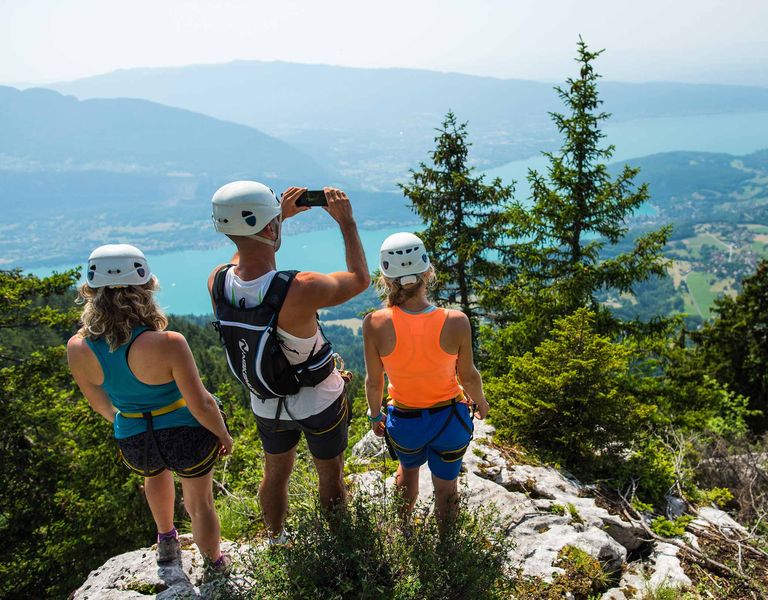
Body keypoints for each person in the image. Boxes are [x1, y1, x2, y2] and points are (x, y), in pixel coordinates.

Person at [208, 181, 370, 545]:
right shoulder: (301, 286)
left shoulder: (216, 281)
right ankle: (338, 543)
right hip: (318, 401)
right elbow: (360, 279)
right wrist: (347, 223)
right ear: (269, 227)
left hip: (265, 401)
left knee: (275, 472)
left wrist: (277, 218)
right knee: (329, 474)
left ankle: (276, 537)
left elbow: (249, 261)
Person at [67, 244, 233, 573]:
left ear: (91, 292)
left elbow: (99, 402)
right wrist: (222, 434)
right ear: (145, 289)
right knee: (200, 503)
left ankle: (167, 541)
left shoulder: (78, 347)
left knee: (153, 476)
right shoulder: (169, 342)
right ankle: (215, 563)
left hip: (134, 436)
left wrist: (126, 420)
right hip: (187, 434)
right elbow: (200, 403)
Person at [362, 232, 490, 522]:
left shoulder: (375, 323)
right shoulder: (456, 321)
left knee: (407, 472)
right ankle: (447, 549)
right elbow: (468, 376)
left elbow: (373, 381)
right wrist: (480, 402)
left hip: (405, 423)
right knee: (446, 487)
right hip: (450, 421)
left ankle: (403, 531)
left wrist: (374, 416)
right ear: (428, 272)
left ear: (385, 278)